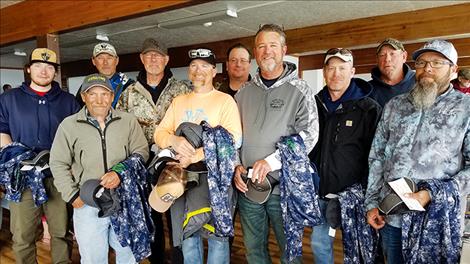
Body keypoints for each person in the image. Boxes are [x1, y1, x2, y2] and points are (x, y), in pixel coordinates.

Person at [365, 39, 470, 263]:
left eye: (437, 62)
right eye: (421, 62)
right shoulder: (395, 105)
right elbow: (377, 157)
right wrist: (372, 203)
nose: (427, 68)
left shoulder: (465, 108)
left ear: (453, 69)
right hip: (392, 214)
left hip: (436, 220)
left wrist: (431, 194)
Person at [233, 24, 319, 264]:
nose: (267, 51)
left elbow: (309, 136)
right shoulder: (243, 92)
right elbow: (233, 137)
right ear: (255, 53)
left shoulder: (301, 90)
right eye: (261, 46)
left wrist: (271, 162)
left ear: (284, 50)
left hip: (284, 189)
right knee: (253, 251)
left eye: (272, 45)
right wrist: (235, 165)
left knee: (289, 253)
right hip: (248, 188)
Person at [154, 48, 242, 264]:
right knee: (188, 236)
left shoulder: (225, 101)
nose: (198, 70)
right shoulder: (179, 101)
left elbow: (234, 140)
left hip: (215, 178)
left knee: (217, 237)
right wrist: (175, 141)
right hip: (181, 179)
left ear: (213, 71)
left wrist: (194, 156)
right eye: (194, 66)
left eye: (204, 66)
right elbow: (159, 133)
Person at [50, 73, 149, 263]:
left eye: (104, 94)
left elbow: (141, 152)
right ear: (84, 97)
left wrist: (119, 172)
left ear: (112, 97)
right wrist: (71, 195)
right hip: (88, 202)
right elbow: (58, 162)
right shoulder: (69, 125)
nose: (99, 100)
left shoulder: (128, 121)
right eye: (92, 94)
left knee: (128, 255)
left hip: (124, 199)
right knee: (93, 258)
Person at [0, 48, 79, 264]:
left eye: (49, 67)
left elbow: (78, 137)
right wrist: (15, 157)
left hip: (58, 175)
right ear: (28, 69)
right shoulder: (9, 99)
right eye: (38, 66)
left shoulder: (69, 101)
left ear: (55, 72)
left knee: (60, 231)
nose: (43, 71)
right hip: (23, 175)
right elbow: (2, 131)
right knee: (22, 235)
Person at [116, 38, 190, 264]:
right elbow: (121, 127)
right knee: (153, 214)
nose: (153, 59)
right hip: (143, 164)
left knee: (177, 213)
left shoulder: (182, 89)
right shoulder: (129, 92)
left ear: (166, 60)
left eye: (158, 56)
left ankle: (179, 257)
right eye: (149, 55)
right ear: (142, 58)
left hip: (174, 163)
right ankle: (157, 258)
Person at [309, 48, 381, 263]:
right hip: (321, 191)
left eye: (342, 68)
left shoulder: (369, 108)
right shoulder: (313, 105)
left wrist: (370, 193)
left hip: (355, 195)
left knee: (358, 249)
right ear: (324, 71)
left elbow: (376, 155)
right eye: (331, 68)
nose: (336, 73)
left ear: (353, 71)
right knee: (319, 244)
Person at [75, 42, 134, 107]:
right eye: (100, 58)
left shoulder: (129, 85)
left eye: (109, 58)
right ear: (93, 61)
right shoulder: (87, 86)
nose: (105, 63)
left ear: (117, 60)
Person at [369, 38, 415, 107]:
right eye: (382, 55)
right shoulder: (368, 90)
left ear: (404, 57)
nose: (387, 59)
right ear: (377, 60)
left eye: (392, 54)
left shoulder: (419, 82)